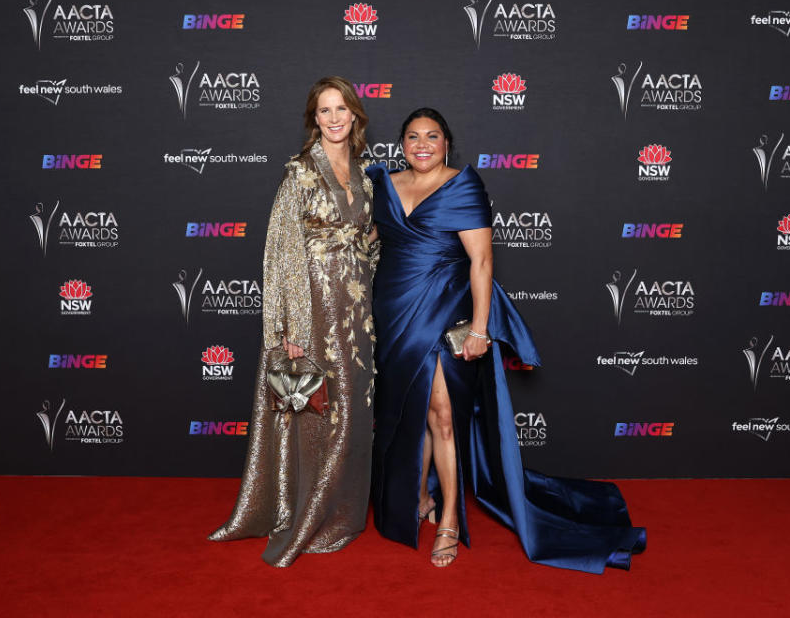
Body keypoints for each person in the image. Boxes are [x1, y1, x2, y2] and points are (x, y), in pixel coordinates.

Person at [367, 108, 646, 571]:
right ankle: (417, 497)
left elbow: (481, 263)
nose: (422, 144)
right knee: (404, 410)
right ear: (401, 144)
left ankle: (450, 519)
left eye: (431, 136)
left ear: (447, 143)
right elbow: (369, 240)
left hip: (443, 313)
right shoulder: (383, 184)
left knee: (443, 416)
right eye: (412, 137)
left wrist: (481, 328)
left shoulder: (463, 186)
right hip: (393, 313)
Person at [208, 76, 378, 567]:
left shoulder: (365, 175)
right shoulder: (300, 173)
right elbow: (280, 254)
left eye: (341, 108)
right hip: (314, 308)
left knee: (355, 407)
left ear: (355, 114)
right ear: (314, 119)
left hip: (357, 311)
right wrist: (290, 330)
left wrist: (367, 269)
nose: (333, 118)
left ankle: (344, 510)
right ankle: (308, 514)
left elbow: (369, 240)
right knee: (318, 410)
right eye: (324, 110)